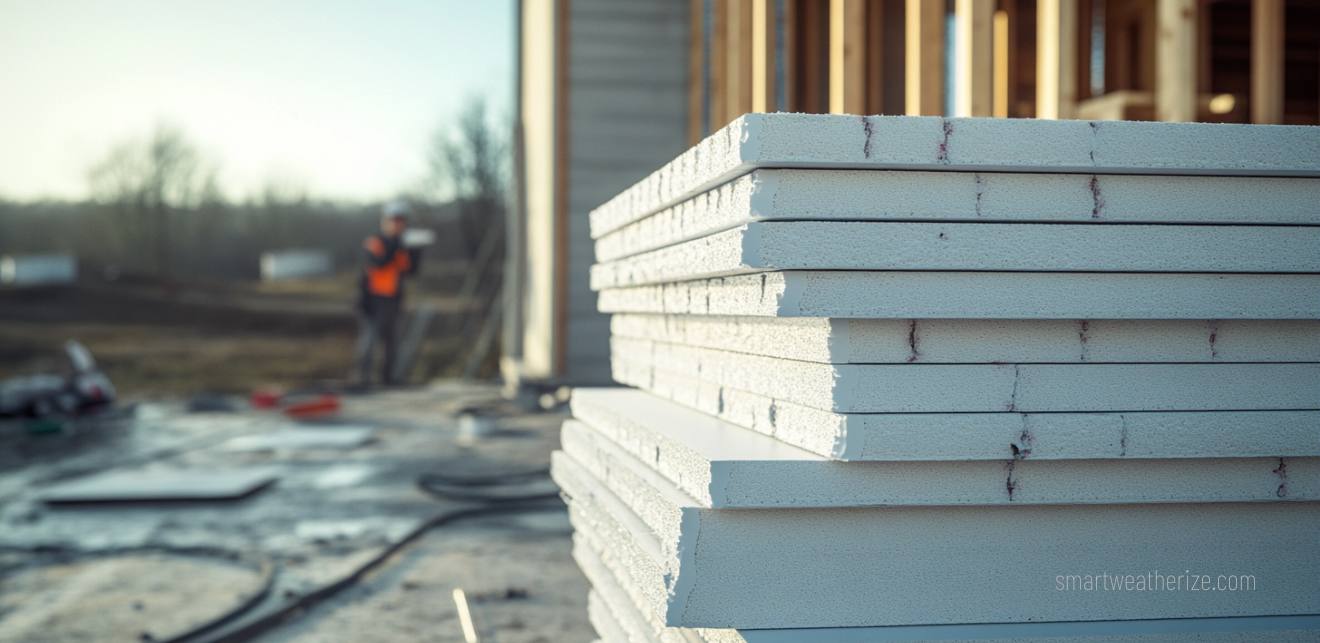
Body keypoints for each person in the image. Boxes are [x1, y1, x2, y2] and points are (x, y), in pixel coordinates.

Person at [354, 201, 420, 386]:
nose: (398, 224)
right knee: (369, 342)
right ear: (385, 221)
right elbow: (378, 262)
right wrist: (396, 244)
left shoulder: (402, 247)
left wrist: (415, 251)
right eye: (394, 220)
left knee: (392, 343)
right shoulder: (375, 242)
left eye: (401, 221)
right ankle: (362, 380)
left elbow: (410, 271)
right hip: (373, 300)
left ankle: (388, 380)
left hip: (393, 300)